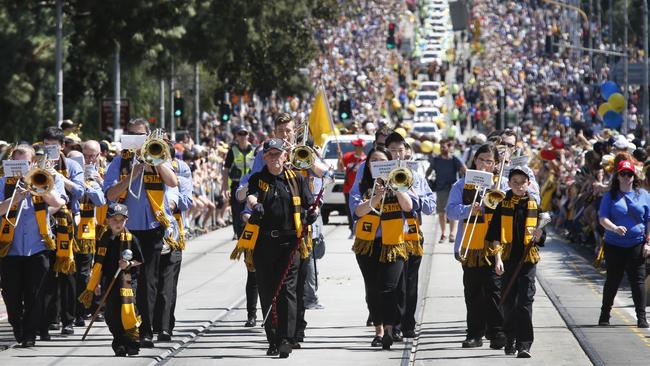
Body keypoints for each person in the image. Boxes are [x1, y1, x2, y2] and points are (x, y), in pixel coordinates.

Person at [231, 138, 317, 358]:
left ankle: (287, 339)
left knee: (287, 291)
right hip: (264, 243)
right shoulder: (259, 179)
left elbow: (309, 203)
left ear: (285, 156)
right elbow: (249, 195)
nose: (274, 158)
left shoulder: (295, 178)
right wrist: (254, 204)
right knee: (268, 291)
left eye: (278, 154)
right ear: (264, 157)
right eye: (269, 154)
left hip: (291, 243)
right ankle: (273, 338)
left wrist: (312, 214)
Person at [104, 118, 180, 348]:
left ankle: (146, 330)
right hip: (126, 230)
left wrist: (154, 161)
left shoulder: (160, 156)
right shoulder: (119, 161)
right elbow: (110, 194)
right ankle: (127, 328)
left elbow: (173, 182)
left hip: (153, 229)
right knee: (125, 280)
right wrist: (131, 176)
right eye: (133, 135)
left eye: (142, 135)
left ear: (149, 137)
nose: (138, 139)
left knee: (149, 282)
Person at [0, 145, 67, 347]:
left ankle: (29, 334)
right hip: (9, 248)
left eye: (26, 163)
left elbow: (58, 202)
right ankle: (16, 323)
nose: (21, 168)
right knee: (10, 295)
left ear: (32, 163)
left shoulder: (43, 179)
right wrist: (14, 199)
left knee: (35, 294)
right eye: (16, 163)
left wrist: (39, 187)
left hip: (38, 247)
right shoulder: (3, 182)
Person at [350, 145, 416, 350]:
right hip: (368, 245)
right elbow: (358, 211)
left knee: (388, 288)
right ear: (368, 166)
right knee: (372, 289)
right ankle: (378, 330)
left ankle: (389, 329)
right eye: (374, 162)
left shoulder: (400, 180)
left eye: (382, 161)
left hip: (394, 243)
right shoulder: (361, 186)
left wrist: (395, 188)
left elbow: (409, 207)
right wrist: (376, 196)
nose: (378, 165)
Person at [446, 143, 505, 349]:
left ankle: (497, 332)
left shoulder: (502, 184)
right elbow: (450, 212)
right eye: (481, 160)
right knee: (473, 293)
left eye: (489, 161)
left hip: (494, 246)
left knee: (495, 291)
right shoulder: (461, 185)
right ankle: (474, 334)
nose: (484, 165)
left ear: (496, 164)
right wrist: (468, 209)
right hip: (471, 247)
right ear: (474, 160)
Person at [487, 166, 547, 358]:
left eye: (523, 182)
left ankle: (524, 344)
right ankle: (510, 337)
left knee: (525, 302)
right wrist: (497, 259)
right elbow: (494, 235)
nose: (519, 185)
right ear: (509, 183)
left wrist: (539, 235)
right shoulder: (502, 204)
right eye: (515, 182)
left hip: (527, 260)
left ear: (529, 184)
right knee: (508, 302)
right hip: (507, 258)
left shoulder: (534, 205)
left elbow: (541, 234)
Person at [78, 203, 144, 356]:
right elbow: (99, 264)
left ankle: (132, 342)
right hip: (110, 281)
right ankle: (119, 341)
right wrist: (96, 283)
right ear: (108, 220)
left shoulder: (131, 239)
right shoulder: (104, 238)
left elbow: (140, 260)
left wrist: (128, 263)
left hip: (127, 281)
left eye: (121, 220)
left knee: (128, 311)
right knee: (112, 315)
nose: (118, 223)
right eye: (115, 220)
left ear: (126, 221)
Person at [40, 126, 85, 336]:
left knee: (67, 270)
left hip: (66, 221)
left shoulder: (73, 165)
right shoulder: (36, 163)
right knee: (48, 270)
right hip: (43, 221)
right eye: (45, 145)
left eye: (53, 146)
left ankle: (68, 318)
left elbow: (80, 190)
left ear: (62, 147)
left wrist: (57, 175)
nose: (48, 149)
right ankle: (51, 318)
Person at [597, 160, 650, 329]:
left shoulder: (644, 195)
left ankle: (641, 318)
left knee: (638, 281)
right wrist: (614, 228)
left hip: (636, 244)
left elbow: (649, 220)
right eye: (623, 174)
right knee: (613, 280)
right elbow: (602, 218)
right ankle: (605, 315)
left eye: (630, 174)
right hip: (614, 244)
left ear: (634, 176)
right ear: (617, 176)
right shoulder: (609, 196)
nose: (626, 177)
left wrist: (648, 242)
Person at [153, 143, 194, 341]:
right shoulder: (146, 178)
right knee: (150, 282)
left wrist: (171, 201)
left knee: (167, 286)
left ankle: (165, 326)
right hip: (150, 232)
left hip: (173, 236)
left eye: (163, 156)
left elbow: (186, 202)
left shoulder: (181, 180)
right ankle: (149, 323)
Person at [70, 147, 106, 328]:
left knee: (85, 273)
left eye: (92, 155)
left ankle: (82, 310)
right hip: (66, 232)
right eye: (85, 156)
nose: (89, 159)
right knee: (67, 276)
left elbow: (101, 200)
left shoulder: (95, 177)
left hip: (88, 232)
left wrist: (86, 184)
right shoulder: (64, 176)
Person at [426, 138, 466, 242]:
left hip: (453, 189)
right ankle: (443, 234)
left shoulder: (454, 159)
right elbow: (429, 171)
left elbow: (464, 170)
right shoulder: (436, 160)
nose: (442, 149)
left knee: (452, 211)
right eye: (441, 147)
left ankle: (452, 233)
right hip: (440, 189)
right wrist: (426, 180)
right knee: (441, 212)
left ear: (449, 147)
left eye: (444, 146)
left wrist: (464, 182)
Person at [222, 125, 256, 240]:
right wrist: (224, 187)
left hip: (250, 184)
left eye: (244, 134)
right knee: (236, 211)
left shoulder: (254, 150)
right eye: (240, 134)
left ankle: (248, 231)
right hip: (236, 185)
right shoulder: (232, 151)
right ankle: (237, 232)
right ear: (236, 136)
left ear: (248, 135)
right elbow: (226, 169)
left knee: (250, 209)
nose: (242, 136)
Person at [342, 138, 366, 238]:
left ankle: (359, 228)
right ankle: (352, 229)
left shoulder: (366, 159)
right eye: (355, 146)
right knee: (349, 210)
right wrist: (340, 160)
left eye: (357, 146)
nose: (355, 148)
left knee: (360, 209)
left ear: (361, 147)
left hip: (360, 190)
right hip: (348, 188)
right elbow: (340, 168)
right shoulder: (347, 156)